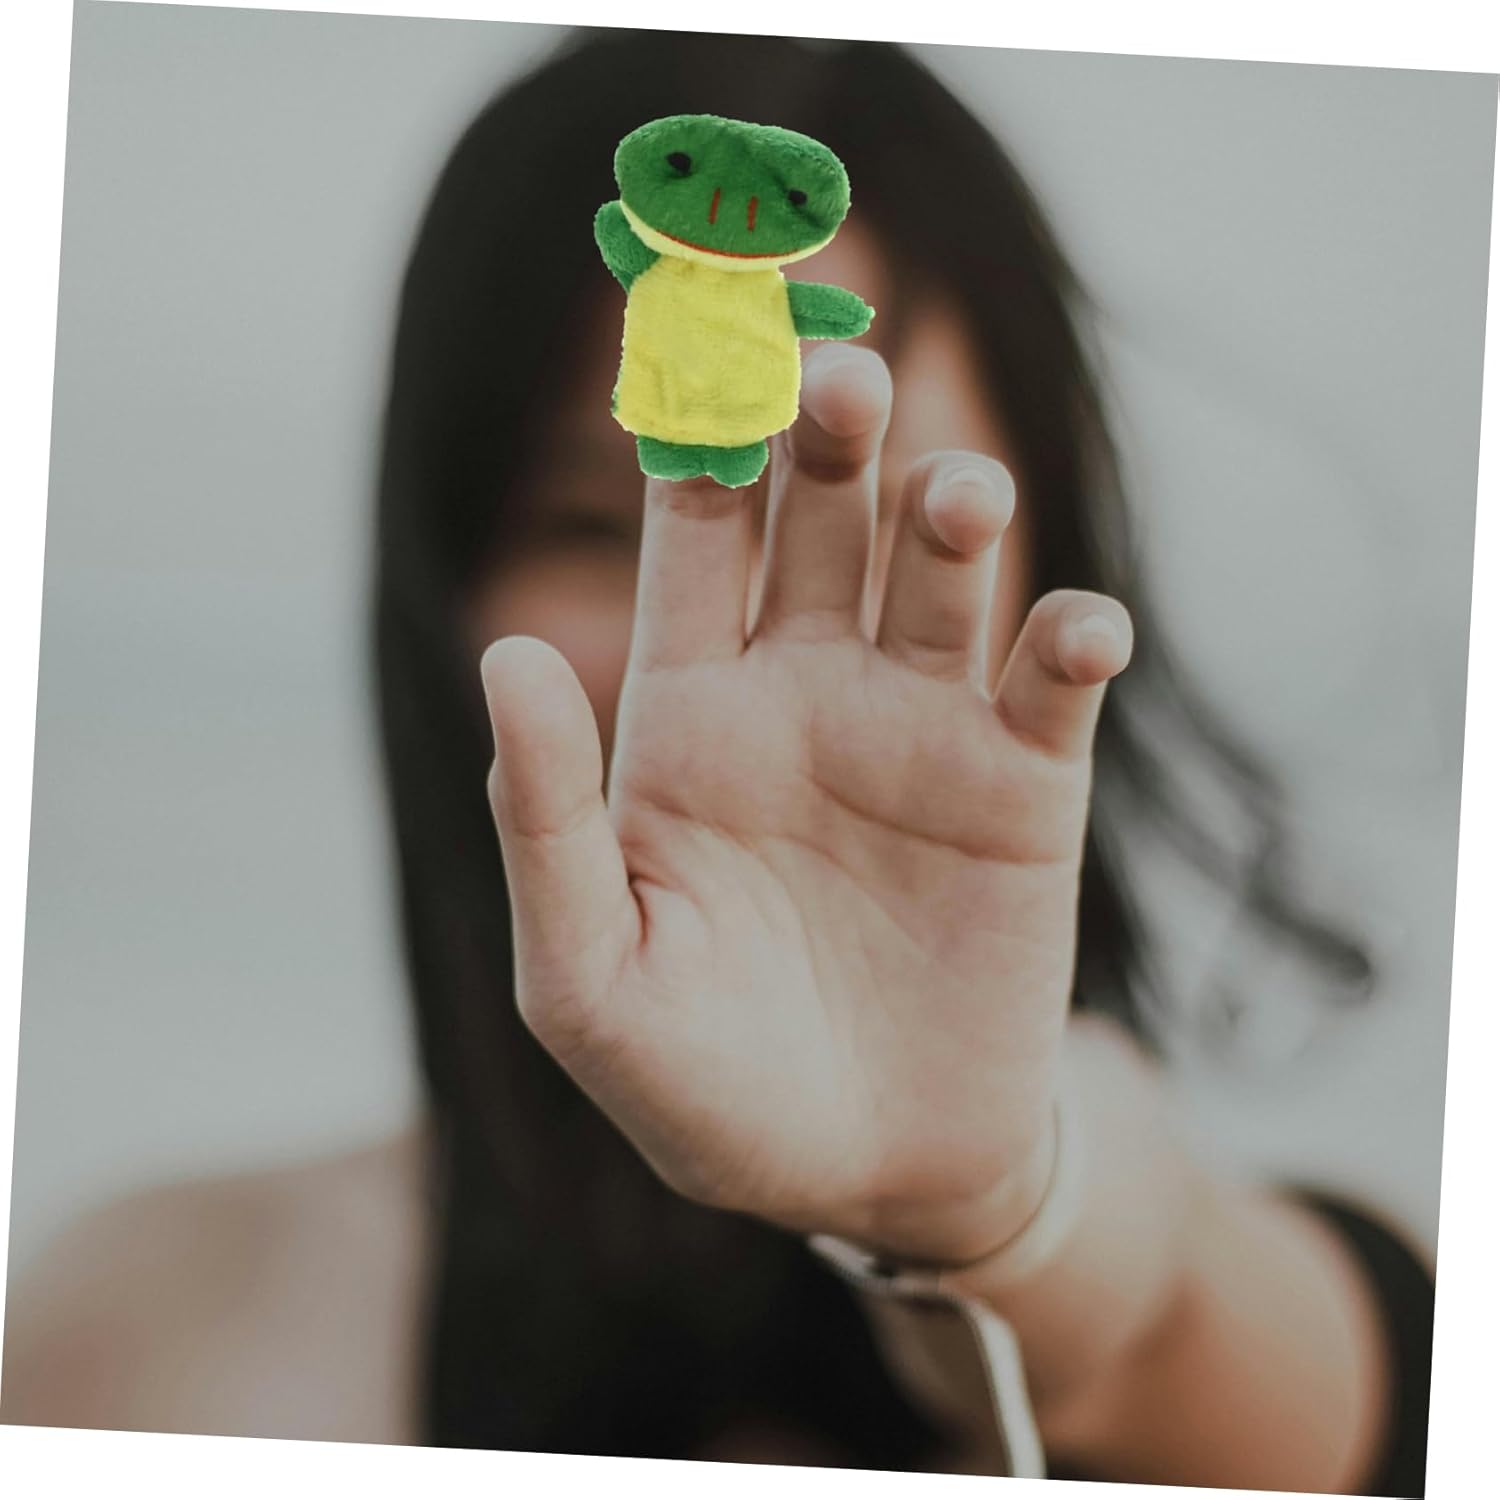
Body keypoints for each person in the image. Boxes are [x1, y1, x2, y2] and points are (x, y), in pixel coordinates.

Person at [1, 28, 1435, 1494]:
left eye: (870, 508)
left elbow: (1153, 1317)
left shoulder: (1214, 1276)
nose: (735, 647)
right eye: (582, 521)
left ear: (1050, 551)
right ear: (436, 590)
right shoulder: (146, 1341)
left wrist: (991, 1207)